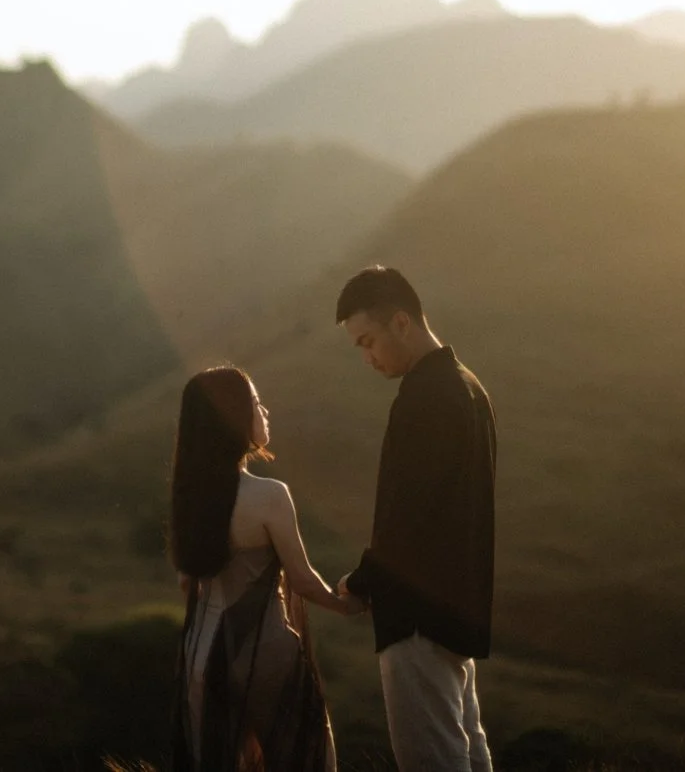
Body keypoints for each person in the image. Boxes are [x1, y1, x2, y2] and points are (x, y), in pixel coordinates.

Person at [334, 267, 498, 772]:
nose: (367, 358)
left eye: (368, 340)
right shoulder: (470, 388)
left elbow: (407, 516)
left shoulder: (423, 399)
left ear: (401, 321)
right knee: (469, 754)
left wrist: (360, 584)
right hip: (458, 611)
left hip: (416, 620)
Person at [170, 365, 362, 772]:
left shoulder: (189, 500)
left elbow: (188, 584)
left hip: (200, 656)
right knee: (309, 761)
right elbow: (303, 581)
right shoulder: (269, 495)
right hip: (264, 651)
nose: (266, 411)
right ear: (235, 418)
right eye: (257, 403)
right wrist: (350, 604)